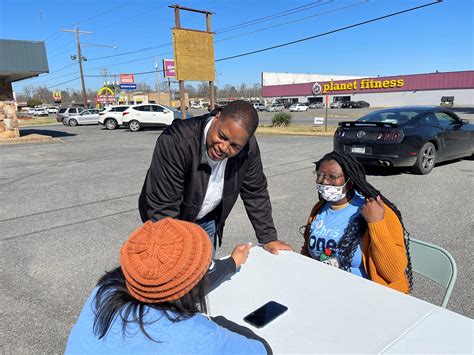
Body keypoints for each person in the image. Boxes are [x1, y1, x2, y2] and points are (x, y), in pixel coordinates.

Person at [66, 218, 272, 354]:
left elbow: (171, 281)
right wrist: (214, 322)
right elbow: (262, 350)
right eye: (207, 266)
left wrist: (231, 263)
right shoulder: (198, 337)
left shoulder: (104, 291)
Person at [139, 100, 292, 255]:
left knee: (206, 273)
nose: (223, 148)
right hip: (169, 220)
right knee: (177, 270)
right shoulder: (177, 141)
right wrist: (173, 249)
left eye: (234, 146)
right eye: (222, 136)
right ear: (217, 116)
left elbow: (255, 191)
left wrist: (269, 238)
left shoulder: (248, 149)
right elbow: (163, 207)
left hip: (207, 219)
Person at [300, 151, 412, 293]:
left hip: (368, 296)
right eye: (320, 175)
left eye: (332, 177)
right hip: (325, 289)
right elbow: (308, 251)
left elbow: (393, 273)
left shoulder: (376, 211)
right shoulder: (320, 208)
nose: (324, 181)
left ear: (350, 179)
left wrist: (376, 223)